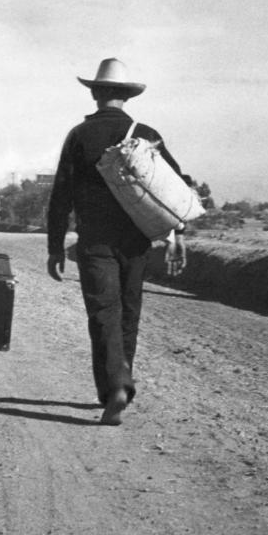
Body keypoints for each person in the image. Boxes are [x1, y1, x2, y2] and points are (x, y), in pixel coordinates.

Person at [45, 58, 186, 426]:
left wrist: (55, 247)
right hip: (137, 240)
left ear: (94, 93)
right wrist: (176, 233)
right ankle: (116, 386)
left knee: (103, 313)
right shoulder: (147, 132)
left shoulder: (79, 135)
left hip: (95, 241)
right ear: (126, 96)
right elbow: (173, 187)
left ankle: (116, 386)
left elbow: (60, 195)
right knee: (128, 313)